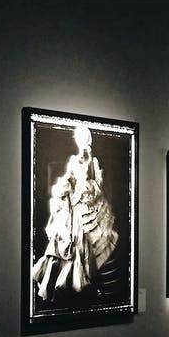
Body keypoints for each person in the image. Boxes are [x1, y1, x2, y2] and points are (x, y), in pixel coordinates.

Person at [32, 126, 119, 301]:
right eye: (78, 138)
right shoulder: (73, 160)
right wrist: (64, 189)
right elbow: (68, 180)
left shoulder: (93, 161)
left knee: (96, 243)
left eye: (83, 138)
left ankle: (96, 287)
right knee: (73, 244)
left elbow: (99, 185)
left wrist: (91, 187)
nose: (80, 142)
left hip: (92, 205)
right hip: (75, 206)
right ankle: (76, 289)